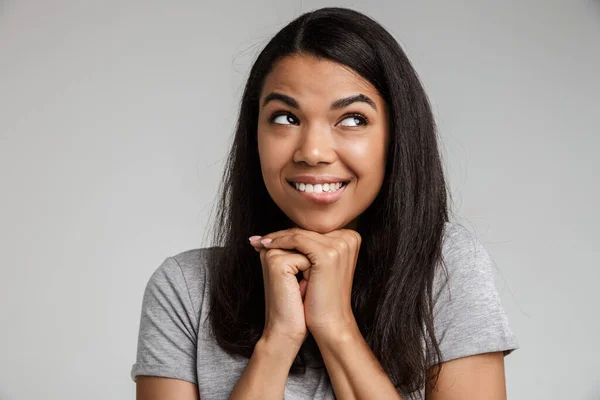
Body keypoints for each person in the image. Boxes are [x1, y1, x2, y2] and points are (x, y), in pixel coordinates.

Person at [131, 7, 519, 399]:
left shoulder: (446, 267)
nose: (313, 152)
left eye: (352, 119)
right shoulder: (185, 287)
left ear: (395, 136)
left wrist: (336, 326)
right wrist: (277, 342)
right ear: (255, 136)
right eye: (285, 118)